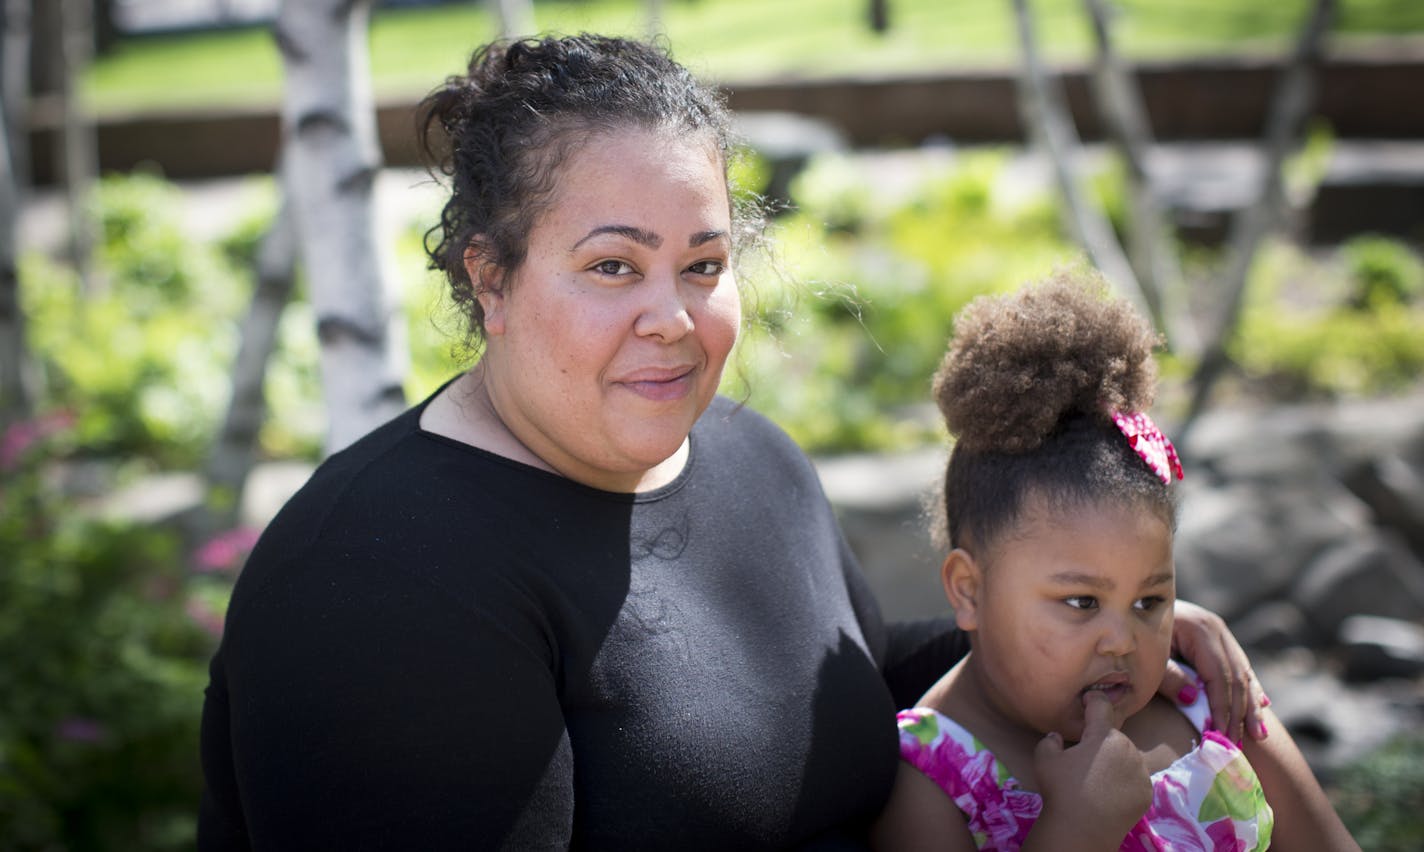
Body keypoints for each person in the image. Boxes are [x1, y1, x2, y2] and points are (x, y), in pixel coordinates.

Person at [198, 35, 1266, 850]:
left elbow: (846, 673)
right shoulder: (379, 581)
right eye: (613, 266)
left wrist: (1096, 630)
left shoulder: (746, 455)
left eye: (701, 266)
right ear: (491, 280)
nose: (672, 316)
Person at [870, 272, 1359, 851]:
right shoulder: (932, 780)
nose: (1122, 641)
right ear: (969, 591)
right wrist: (1076, 833)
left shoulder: (1207, 701)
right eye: (1082, 602)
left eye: (1149, 601)